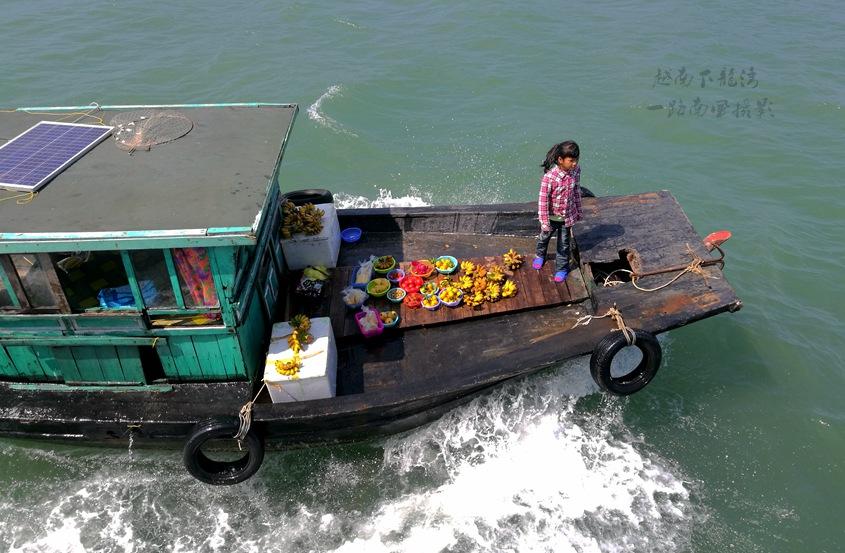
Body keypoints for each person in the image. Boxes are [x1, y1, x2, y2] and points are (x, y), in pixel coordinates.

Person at [534, 140, 583, 282]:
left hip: (566, 218)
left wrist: (578, 211)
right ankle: (540, 255)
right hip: (550, 217)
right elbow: (543, 201)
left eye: (576, 160)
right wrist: (544, 222)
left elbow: (577, 191)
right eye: (571, 160)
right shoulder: (549, 178)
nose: (574, 163)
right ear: (560, 160)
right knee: (544, 238)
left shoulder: (576, 171)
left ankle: (561, 268)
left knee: (564, 244)